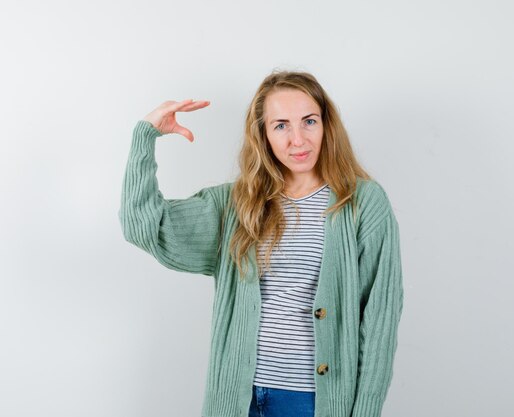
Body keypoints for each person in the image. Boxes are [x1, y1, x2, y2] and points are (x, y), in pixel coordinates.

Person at [119, 71, 403, 417]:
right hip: (240, 398)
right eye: (281, 125)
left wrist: (365, 411)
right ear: (263, 135)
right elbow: (144, 227)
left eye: (309, 121)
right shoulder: (237, 204)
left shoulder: (362, 202)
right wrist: (144, 136)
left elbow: (379, 321)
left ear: (327, 125)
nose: (298, 140)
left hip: (312, 402)